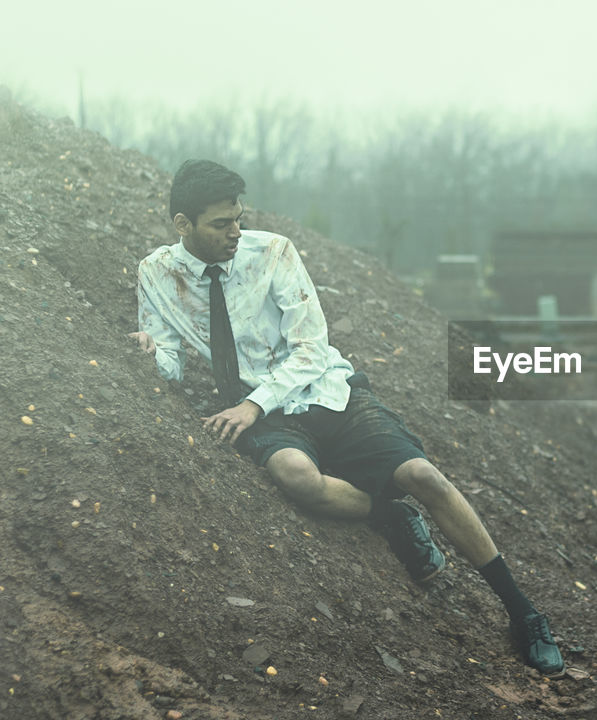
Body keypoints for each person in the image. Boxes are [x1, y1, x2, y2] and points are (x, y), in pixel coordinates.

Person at [127, 159, 564, 677]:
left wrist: (252, 404)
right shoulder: (156, 272)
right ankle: (387, 514)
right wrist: (150, 353)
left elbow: (312, 347)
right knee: (296, 475)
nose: (235, 231)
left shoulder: (274, 252)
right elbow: (172, 363)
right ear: (183, 225)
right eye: (221, 224)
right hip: (269, 416)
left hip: (326, 390)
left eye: (238, 218)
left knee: (423, 475)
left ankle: (525, 614)